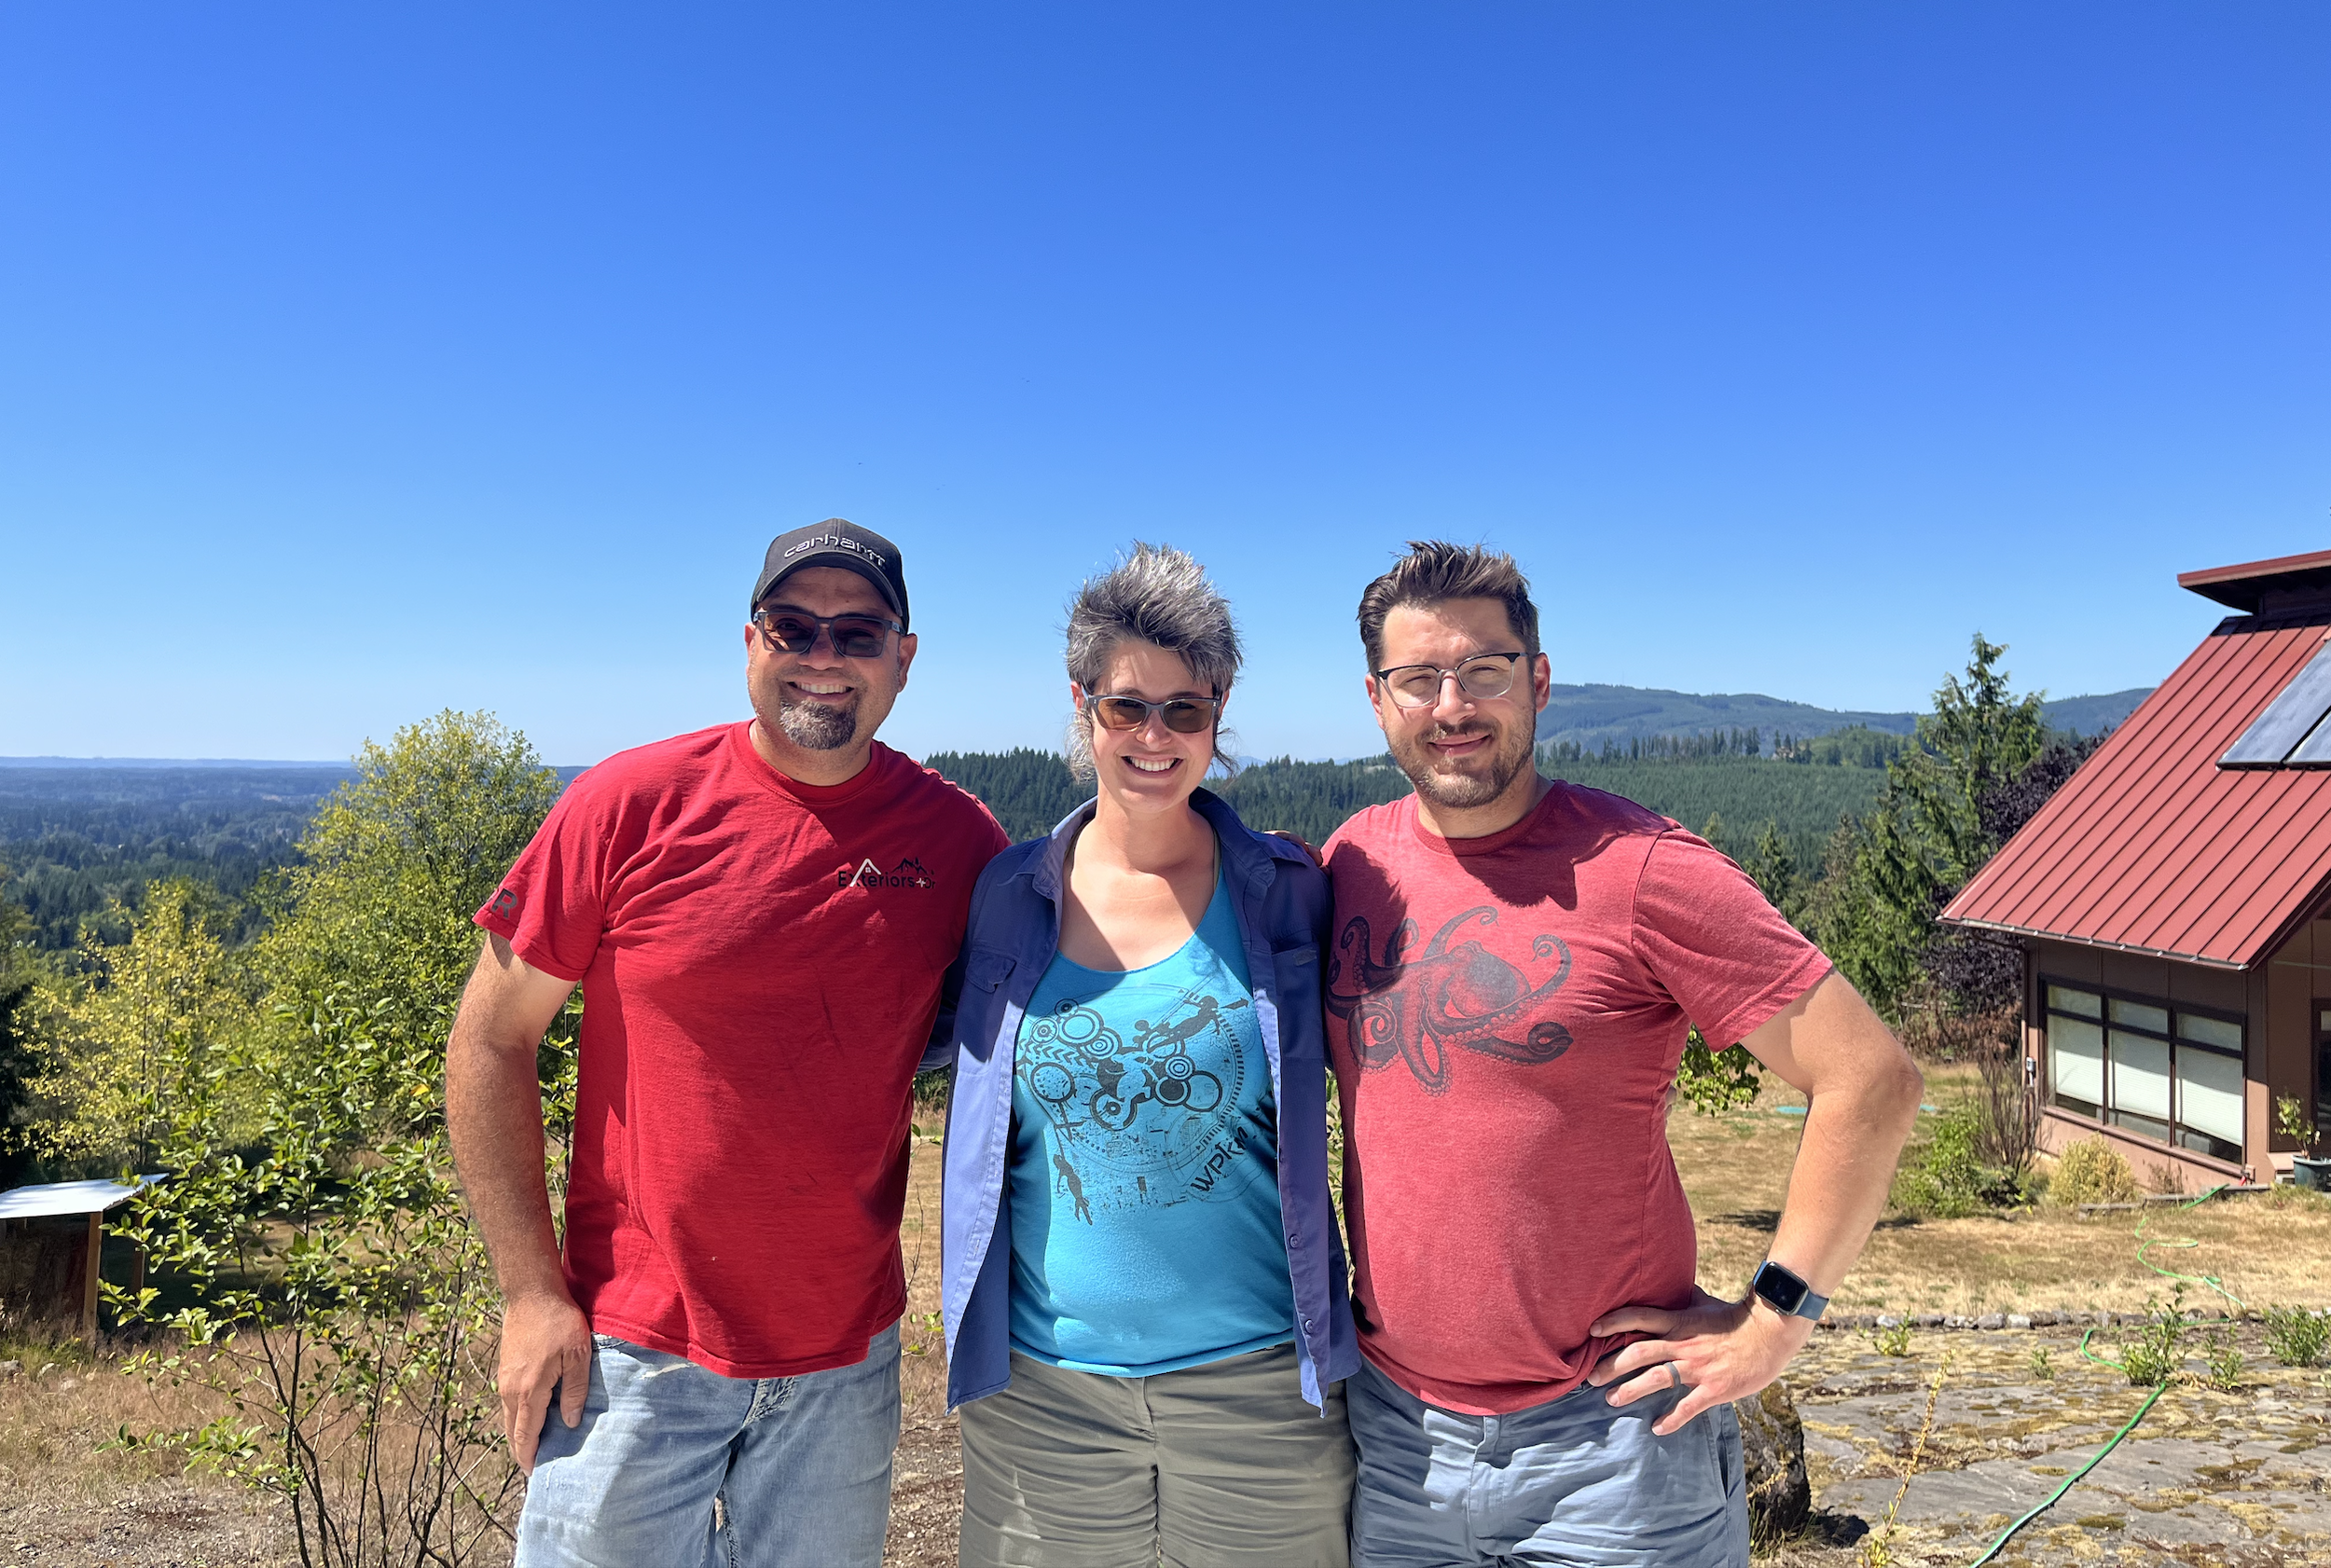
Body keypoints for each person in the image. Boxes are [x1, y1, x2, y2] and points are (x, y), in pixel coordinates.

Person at [1321, 542, 1924, 1568]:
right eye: (1419, 678)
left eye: (1485, 669)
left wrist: (1774, 1319)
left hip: (1612, 1446)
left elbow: (1869, 1074)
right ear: (1377, 698)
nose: (1452, 704)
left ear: (1540, 680)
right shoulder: (1349, 863)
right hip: (1396, 1437)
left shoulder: (1642, 867)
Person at [446, 520, 1009, 1568]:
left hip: (847, 1358)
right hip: (630, 1347)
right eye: (794, 627)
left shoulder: (960, 842)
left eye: (858, 631)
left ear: (904, 655)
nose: (824, 656)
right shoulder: (629, 804)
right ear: (750, 642)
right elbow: (489, 1040)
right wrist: (530, 1293)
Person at [937, 543, 1359, 1568]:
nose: (1155, 735)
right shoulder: (1006, 893)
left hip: (1262, 1390)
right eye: (1128, 705)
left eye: (1187, 708)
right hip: (1043, 1397)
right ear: (1081, 706)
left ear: (1219, 713)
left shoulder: (1287, 890)